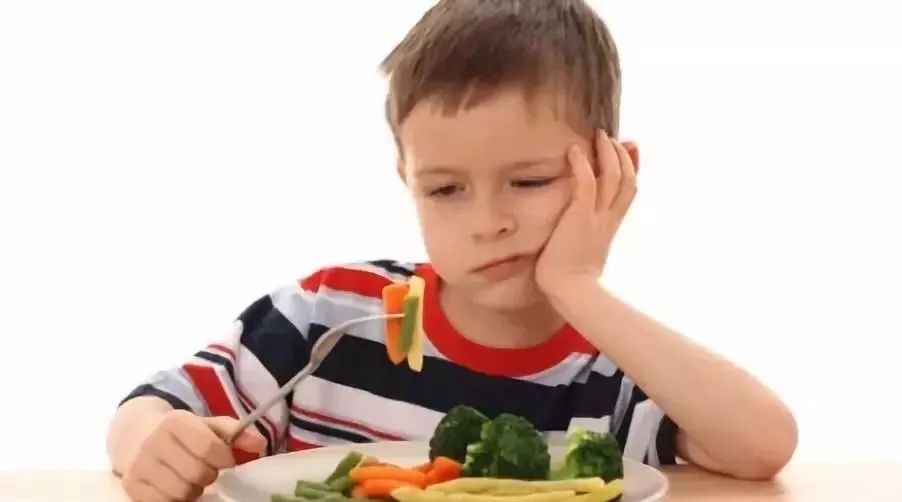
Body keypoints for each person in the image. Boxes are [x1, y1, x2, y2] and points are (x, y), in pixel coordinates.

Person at [106, 1, 798, 500]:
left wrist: (576, 283)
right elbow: (149, 408)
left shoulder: (616, 372)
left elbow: (761, 445)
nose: (488, 223)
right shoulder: (326, 315)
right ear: (406, 177)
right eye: (445, 190)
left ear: (608, 171)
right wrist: (156, 445)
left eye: (529, 181)